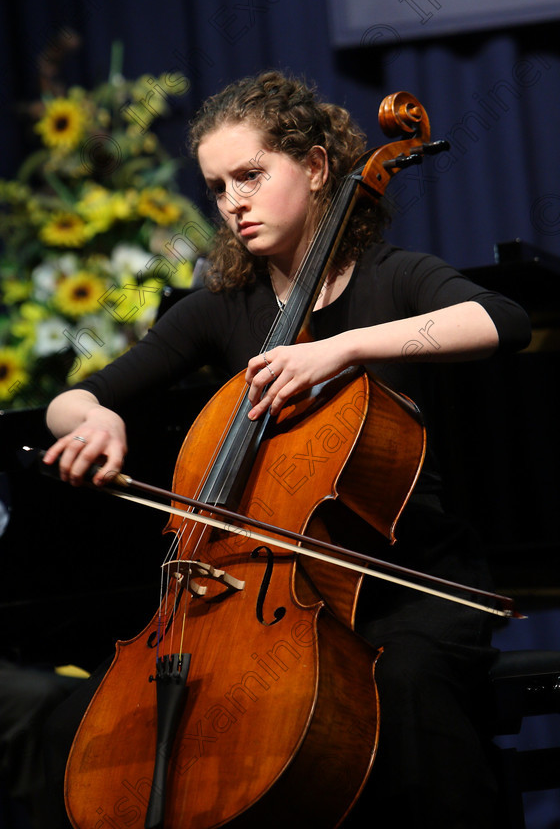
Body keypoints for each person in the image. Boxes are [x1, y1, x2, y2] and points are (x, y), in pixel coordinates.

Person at [42, 71, 531, 828]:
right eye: (217, 187)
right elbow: (76, 396)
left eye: (250, 175)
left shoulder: (391, 280)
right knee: (89, 717)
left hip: (400, 586)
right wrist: (91, 421)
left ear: (313, 167)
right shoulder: (222, 308)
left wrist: (343, 351)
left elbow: (502, 320)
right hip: (252, 602)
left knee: (406, 687)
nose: (232, 201)